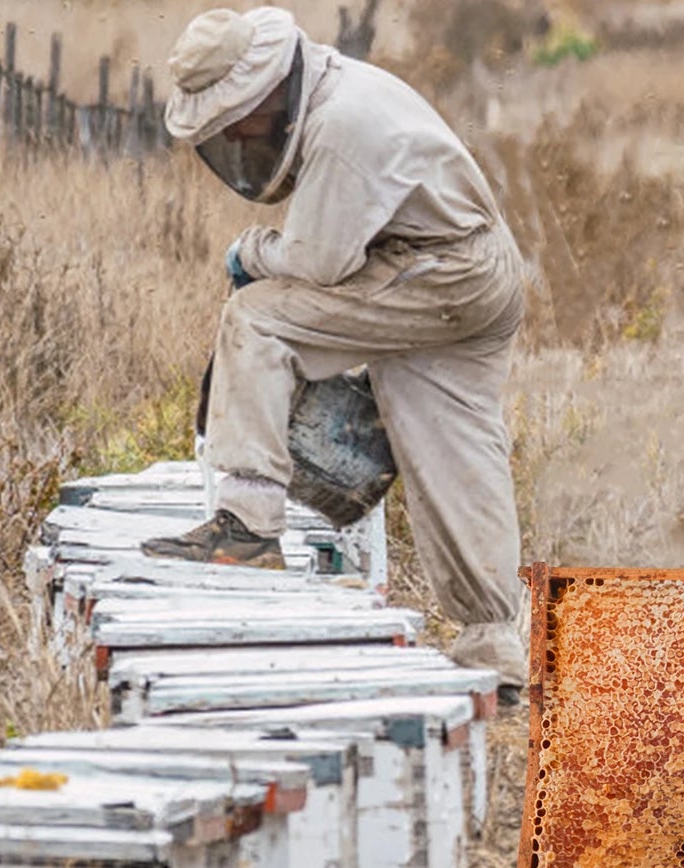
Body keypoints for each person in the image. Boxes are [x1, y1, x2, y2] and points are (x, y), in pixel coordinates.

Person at [144, 5, 530, 697]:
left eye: (233, 116)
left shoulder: (344, 124)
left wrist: (247, 252)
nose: (232, 133)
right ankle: (493, 647)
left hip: (437, 270)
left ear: (263, 90)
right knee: (455, 448)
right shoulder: (334, 91)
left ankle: (249, 526)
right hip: (474, 271)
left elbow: (316, 263)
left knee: (257, 320)